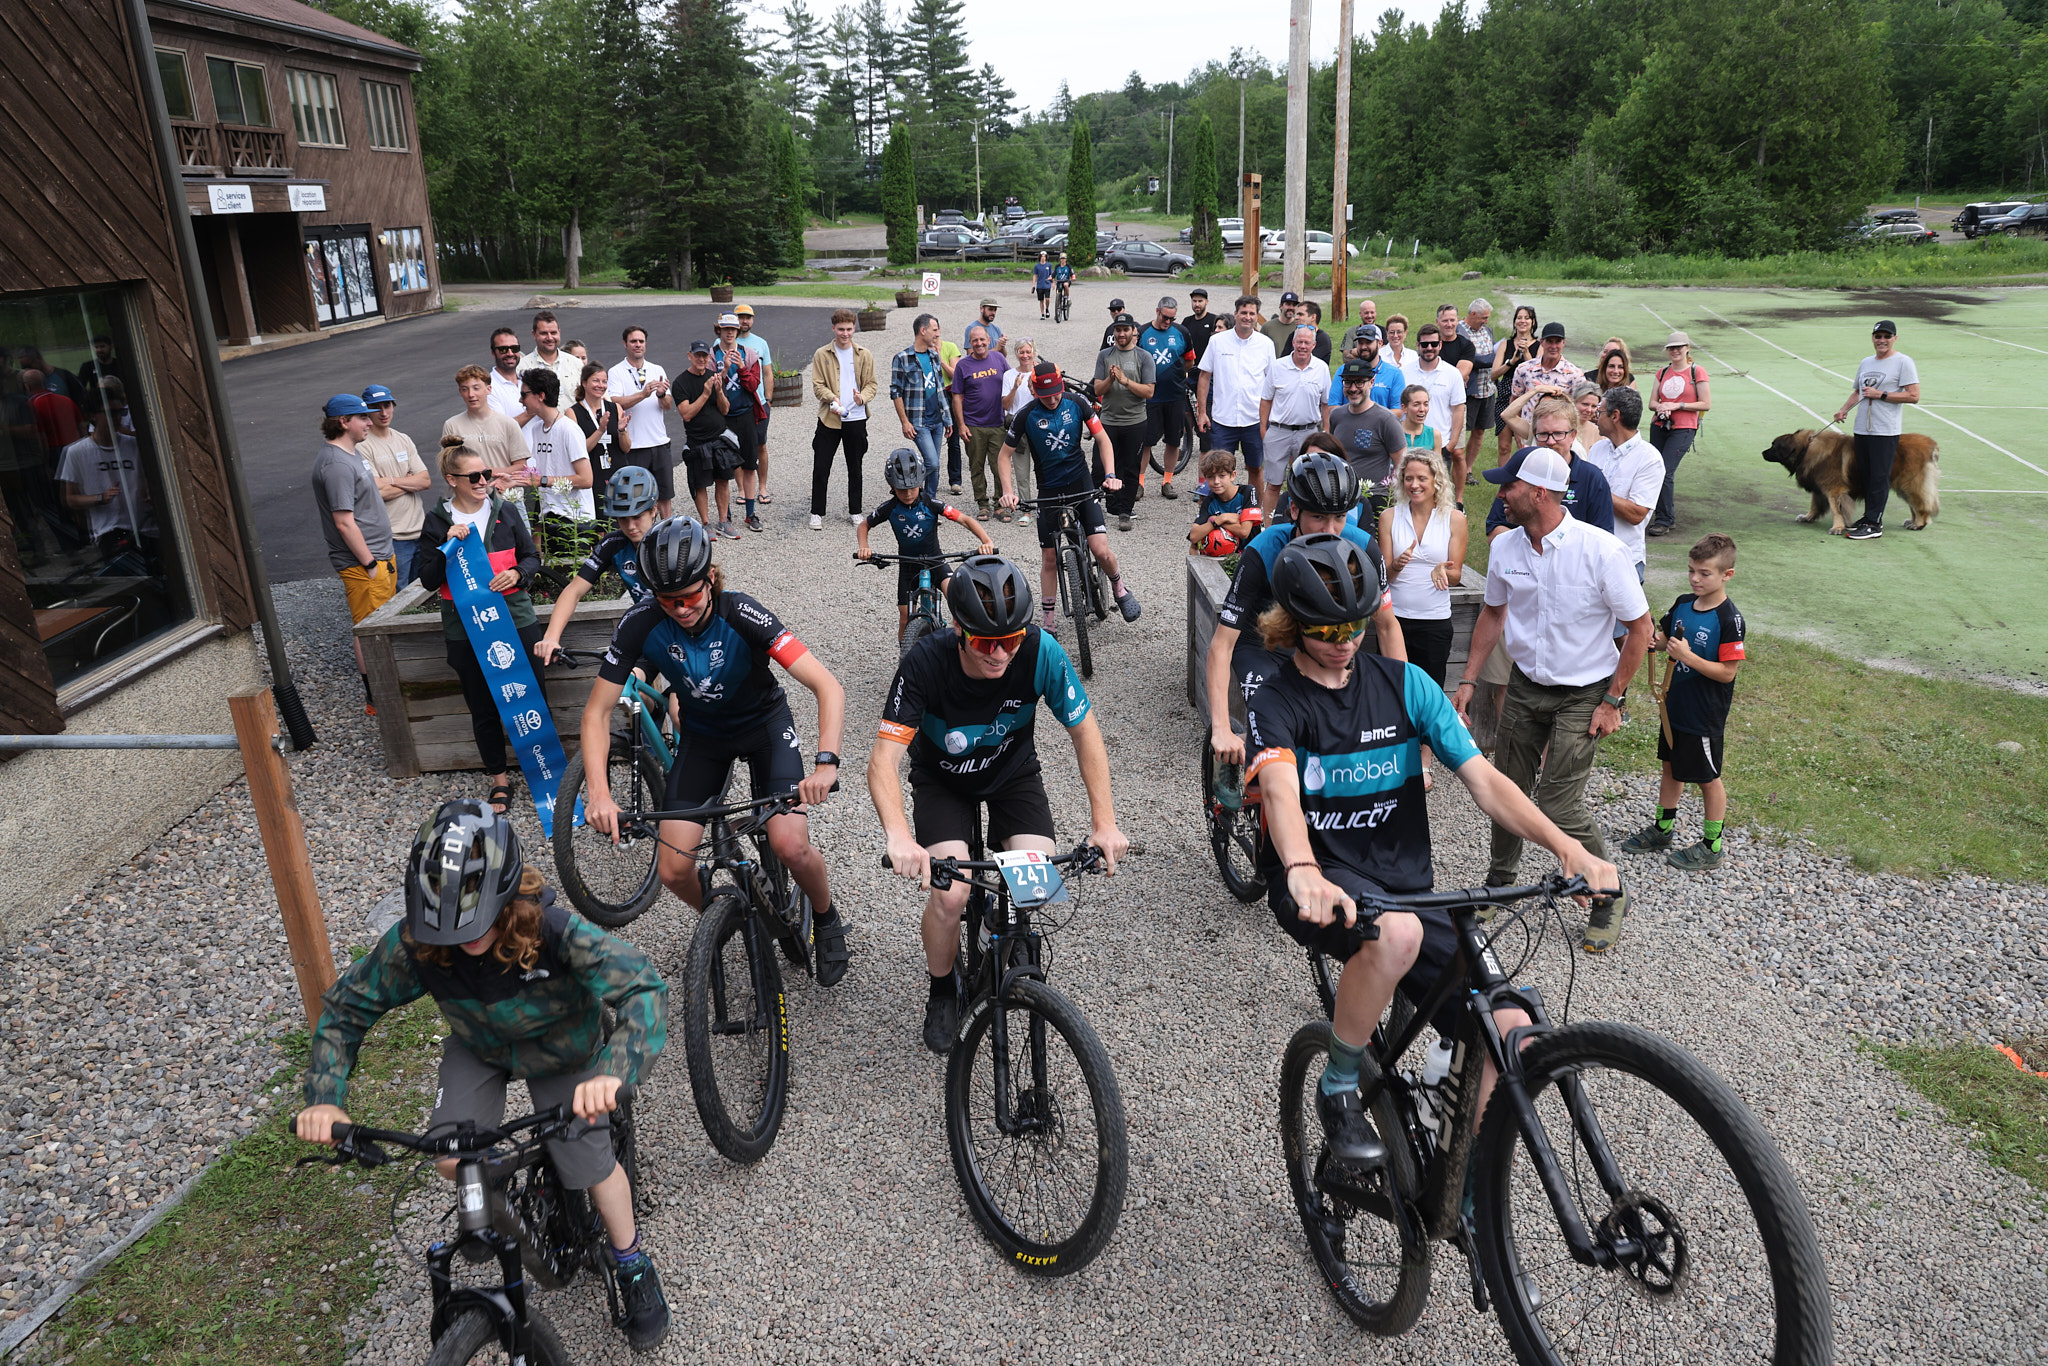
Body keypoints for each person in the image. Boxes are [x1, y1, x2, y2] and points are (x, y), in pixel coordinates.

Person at [1243, 534, 1616, 1174]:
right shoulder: (1276, 698)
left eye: (1356, 624)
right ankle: (1338, 1086)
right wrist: (1302, 868)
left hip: (1409, 885)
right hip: (1319, 879)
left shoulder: (1407, 684)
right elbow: (1278, 789)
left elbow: (1485, 780)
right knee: (1395, 935)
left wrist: (1566, 847)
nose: (1345, 640)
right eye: (1327, 627)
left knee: (1511, 1025)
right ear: (1295, 622)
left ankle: (1459, 1179)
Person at [294, 800, 671, 1353]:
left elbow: (643, 987)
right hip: (482, 1047)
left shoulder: (555, 929)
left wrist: (613, 1072)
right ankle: (492, 1187)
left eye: (475, 924)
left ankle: (631, 1260)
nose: (460, 941)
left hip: (562, 1047)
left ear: (508, 896)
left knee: (589, 1156)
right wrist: (326, 1097)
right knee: (451, 1154)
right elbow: (347, 1007)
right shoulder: (417, 944)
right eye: (445, 928)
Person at [868, 556, 1130, 1053]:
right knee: (949, 896)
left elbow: (1086, 732)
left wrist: (1104, 822)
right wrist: (899, 836)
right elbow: (882, 762)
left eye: (1010, 641)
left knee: (1035, 890)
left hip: (1012, 775)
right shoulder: (924, 662)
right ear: (960, 631)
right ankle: (942, 988)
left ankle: (1001, 933)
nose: (999, 653)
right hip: (942, 780)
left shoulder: (1040, 651)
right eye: (986, 641)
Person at [579, 518, 852, 986]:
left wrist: (826, 763)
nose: (681, 609)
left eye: (690, 595)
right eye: (669, 601)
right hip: (704, 737)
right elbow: (595, 714)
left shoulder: (742, 613)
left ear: (710, 578)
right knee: (672, 868)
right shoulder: (640, 624)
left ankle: (826, 920)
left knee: (790, 844)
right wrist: (600, 795)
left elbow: (827, 687)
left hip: (763, 726)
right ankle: (724, 916)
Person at [1453, 447, 1650, 954]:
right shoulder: (1505, 549)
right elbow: (1493, 616)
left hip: (1585, 692)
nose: (1500, 496)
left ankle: (1608, 894)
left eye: (1509, 487)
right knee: (1506, 787)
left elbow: (1640, 629)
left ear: (1540, 493)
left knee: (1558, 802)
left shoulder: (1602, 551)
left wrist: (1612, 701)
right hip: (1525, 684)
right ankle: (1501, 882)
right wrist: (1470, 679)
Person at [1204, 453, 1403, 771]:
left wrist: (1399, 704)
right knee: (1271, 723)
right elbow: (1222, 643)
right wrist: (1220, 728)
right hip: (1263, 647)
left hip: (1324, 645)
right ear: (1293, 510)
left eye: (1339, 517)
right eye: (1319, 518)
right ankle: (1238, 785)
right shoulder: (1264, 550)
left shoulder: (1363, 547)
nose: (1331, 529)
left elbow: (1388, 627)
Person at [416, 440, 544, 813]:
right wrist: (446, 545)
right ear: (451, 479)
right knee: (483, 705)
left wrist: (518, 574)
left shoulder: (505, 511)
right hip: (465, 628)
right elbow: (427, 579)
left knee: (532, 696)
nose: (483, 480)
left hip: (516, 618)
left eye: (486, 474)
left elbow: (532, 558)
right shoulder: (438, 521)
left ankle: (543, 774)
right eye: (474, 476)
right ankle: (500, 780)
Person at [1621, 534, 1744, 872]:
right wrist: (1652, 639)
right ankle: (1663, 830)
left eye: (1705, 573)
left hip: (1704, 713)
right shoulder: (1682, 603)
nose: (1695, 579)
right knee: (1670, 767)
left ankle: (1711, 845)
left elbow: (1727, 673)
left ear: (1726, 575)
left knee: (1708, 778)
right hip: (1673, 705)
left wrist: (1688, 656)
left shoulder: (1729, 620)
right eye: (1691, 570)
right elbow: (1663, 640)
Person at [996, 361, 1142, 629]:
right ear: (1035, 390)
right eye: (1045, 395)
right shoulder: (1026, 415)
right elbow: (1004, 456)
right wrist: (1008, 492)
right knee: (1050, 558)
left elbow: (1103, 439)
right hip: (1049, 491)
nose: (1052, 399)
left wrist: (1110, 476)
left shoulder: (1077, 403)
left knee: (1100, 550)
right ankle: (1049, 621)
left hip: (1081, 484)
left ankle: (1119, 586)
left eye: (1056, 393)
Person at [1379, 448, 1465, 785]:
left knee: (1430, 689)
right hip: (1395, 619)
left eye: (1421, 478)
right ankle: (1394, 753)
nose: (1415, 484)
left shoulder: (1453, 518)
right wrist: (1396, 566)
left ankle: (1424, 761)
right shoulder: (1389, 517)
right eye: (1409, 478)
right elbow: (1382, 573)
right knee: (1394, 688)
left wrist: (1442, 568)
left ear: (1435, 481)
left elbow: (1456, 574)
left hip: (1433, 618)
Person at [313, 393, 397, 711]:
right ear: (343, 422)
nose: (369, 421)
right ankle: (378, 697)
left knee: (381, 623)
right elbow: (344, 522)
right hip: (365, 563)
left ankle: (386, 688)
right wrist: (370, 563)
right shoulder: (334, 464)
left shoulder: (352, 454)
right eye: (362, 417)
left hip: (379, 555)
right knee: (370, 629)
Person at [857, 447, 995, 639]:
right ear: (892, 486)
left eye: (912, 488)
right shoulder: (890, 508)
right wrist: (864, 547)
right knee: (905, 616)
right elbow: (864, 526)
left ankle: (967, 647)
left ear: (921, 483)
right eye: (901, 489)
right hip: (907, 566)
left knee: (957, 601)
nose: (907, 494)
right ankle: (906, 660)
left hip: (936, 561)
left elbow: (965, 519)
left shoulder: (930, 503)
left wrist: (986, 541)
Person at [536, 466, 661, 668]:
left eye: (637, 517)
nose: (630, 527)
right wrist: (551, 637)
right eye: (623, 519)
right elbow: (574, 591)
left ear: (654, 509)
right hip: (646, 634)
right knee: (627, 690)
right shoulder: (614, 544)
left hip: (682, 632)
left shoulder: (671, 539)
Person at [1832, 318, 1919, 541]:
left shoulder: (1903, 362)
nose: (1882, 340)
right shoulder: (1866, 362)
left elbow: (1913, 395)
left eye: (1886, 336)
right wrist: (1843, 410)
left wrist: (1882, 395)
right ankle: (1868, 517)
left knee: (1879, 478)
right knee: (1867, 476)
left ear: (1895, 338)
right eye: (1878, 336)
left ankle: (1874, 524)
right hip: (1862, 430)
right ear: (1873, 338)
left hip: (1885, 431)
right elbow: (1857, 392)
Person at [1482, 398, 1615, 536]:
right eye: (1543, 434)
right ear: (1534, 435)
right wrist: (1535, 546)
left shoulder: (1591, 478)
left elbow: (1603, 537)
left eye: (1558, 434)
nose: (1550, 441)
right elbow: (1494, 530)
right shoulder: (1520, 470)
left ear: (1573, 436)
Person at [56, 386, 156, 564]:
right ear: (92, 415)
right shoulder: (76, 452)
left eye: (120, 412)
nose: (117, 418)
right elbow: (69, 499)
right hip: (111, 531)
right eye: (110, 413)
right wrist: (100, 498)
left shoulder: (135, 445)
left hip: (146, 527)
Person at [1582, 387, 1664, 588]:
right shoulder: (1598, 449)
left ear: (1615, 416)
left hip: (1624, 560)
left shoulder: (1650, 459)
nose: (1595, 416)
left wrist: (1596, 489)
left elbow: (1637, 513)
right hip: (1588, 556)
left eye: (1600, 412)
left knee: (1621, 621)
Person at [809, 309, 879, 530]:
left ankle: (855, 511)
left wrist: (862, 398)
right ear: (833, 328)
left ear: (854, 328)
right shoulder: (822, 354)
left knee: (855, 466)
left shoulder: (864, 354)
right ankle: (817, 512)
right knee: (821, 466)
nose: (845, 333)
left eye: (849, 329)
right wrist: (832, 398)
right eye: (841, 329)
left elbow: (872, 384)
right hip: (830, 418)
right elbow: (817, 384)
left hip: (856, 418)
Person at [357, 383, 431, 586]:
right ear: (366, 410)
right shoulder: (362, 445)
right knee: (397, 596)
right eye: (376, 407)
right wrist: (408, 480)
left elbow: (425, 480)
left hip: (419, 530)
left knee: (422, 592)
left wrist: (389, 480)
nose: (383, 412)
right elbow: (375, 492)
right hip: (392, 537)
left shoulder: (403, 439)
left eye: (387, 405)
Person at [1257, 325, 1331, 520]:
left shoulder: (1321, 369)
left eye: (1307, 342)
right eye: (1300, 342)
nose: (1303, 346)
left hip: (1308, 433)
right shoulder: (1278, 366)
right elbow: (1266, 399)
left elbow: (1326, 404)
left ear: (1314, 345)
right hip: (1279, 431)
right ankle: (1269, 525)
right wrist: (1264, 429)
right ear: (1293, 343)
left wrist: (1326, 432)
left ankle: (1300, 523)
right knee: (1273, 483)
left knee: (1307, 481)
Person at [1196, 296, 1273, 481]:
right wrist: (1202, 413)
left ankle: (1254, 510)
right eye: (1243, 312)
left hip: (1254, 420)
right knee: (1218, 470)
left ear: (1257, 316)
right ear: (1235, 314)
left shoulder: (1266, 344)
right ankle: (1216, 509)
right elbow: (1204, 377)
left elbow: (1272, 383)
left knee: (1255, 468)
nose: (1247, 317)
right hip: (1223, 420)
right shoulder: (1217, 341)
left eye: (1252, 313)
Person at [1093, 312, 1157, 532]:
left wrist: (1125, 381)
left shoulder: (1143, 357)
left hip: (1135, 421)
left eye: (1125, 330)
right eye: (1118, 330)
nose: (1121, 334)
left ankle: (1124, 511)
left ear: (1133, 332)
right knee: (1099, 467)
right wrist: (1111, 379)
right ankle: (1094, 507)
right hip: (1109, 421)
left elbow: (1149, 391)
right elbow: (1097, 389)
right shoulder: (1105, 355)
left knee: (1130, 467)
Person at [1645, 331, 1711, 538]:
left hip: (1684, 428)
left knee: (1665, 471)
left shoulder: (1697, 371)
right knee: (1655, 470)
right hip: (1660, 425)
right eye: (1671, 348)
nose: (1675, 351)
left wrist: (1678, 405)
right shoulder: (1662, 372)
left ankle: (1665, 519)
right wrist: (1662, 407)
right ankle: (1660, 514)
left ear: (1687, 348)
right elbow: (1651, 403)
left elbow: (1706, 403)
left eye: (1679, 347)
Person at [608, 325, 676, 520]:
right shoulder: (616, 372)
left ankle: (667, 529)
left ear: (646, 344)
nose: (637, 345)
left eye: (641, 341)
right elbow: (614, 402)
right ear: (625, 344)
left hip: (659, 442)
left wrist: (662, 394)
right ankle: (640, 536)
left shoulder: (657, 369)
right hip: (635, 445)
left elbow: (668, 405)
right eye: (633, 341)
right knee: (636, 496)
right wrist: (643, 394)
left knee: (665, 495)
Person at [1327, 358, 1407, 517]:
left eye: (1359, 382)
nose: (1353, 388)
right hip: (1341, 497)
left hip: (1375, 498)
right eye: (1348, 382)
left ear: (1371, 382)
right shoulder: (1336, 416)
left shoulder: (1386, 420)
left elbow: (1402, 464)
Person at [522, 368, 595, 541]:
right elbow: (540, 475)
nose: (521, 400)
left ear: (540, 395)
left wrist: (544, 481)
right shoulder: (536, 429)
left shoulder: (569, 429)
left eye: (524, 394)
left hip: (575, 521)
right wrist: (513, 478)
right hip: (549, 518)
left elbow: (586, 479)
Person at [443, 364, 533, 501]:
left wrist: (487, 472)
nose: (471, 394)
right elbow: (448, 467)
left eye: (476, 388)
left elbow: (521, 467)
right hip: (469, 502)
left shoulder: (508, 424)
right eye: (465, 389)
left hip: (506, 499)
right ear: (460, 392)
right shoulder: (452, 425)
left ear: (489, 389)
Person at [672, 340, 734, 531]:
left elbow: (725, 410)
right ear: (689, 356)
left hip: (719, 438)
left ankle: (724, 521)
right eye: (697, 355)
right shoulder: (681, 383)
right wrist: (706, 394)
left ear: (709, 358)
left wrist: (719, 391)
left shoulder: (714, 377)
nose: (701, 359)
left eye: (704, 355)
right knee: (701, 484)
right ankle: (705, 523)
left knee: (722, 480)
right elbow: (687, 414)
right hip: (697, 441)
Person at [950, 326, 1010, 520]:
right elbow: (957, 396)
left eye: (982, 340)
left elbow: (1011, 382)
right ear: (970, 343)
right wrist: (961, 425)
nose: (979, 344)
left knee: (999, 466)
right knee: (976, 466)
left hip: (997, 422)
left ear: (989, 340)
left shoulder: (999, 359)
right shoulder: (963, 365)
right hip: (973, 424)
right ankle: (982, 504)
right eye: (975, 341)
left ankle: (1000, 504)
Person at [713, 314, 764, 534]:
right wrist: (724, 370)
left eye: (733, 328)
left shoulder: (749, 353)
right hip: (722, 417)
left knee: (749, 465)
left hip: (745, 415)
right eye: (726, 329)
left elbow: (754, 385)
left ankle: (750, 513)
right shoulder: (710, 355)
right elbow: (707, 385)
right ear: (719, 330)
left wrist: (742, 367)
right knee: (724, 467)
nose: (730, 332)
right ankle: (726, 516)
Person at [890, 313, 951, 500]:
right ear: (922, 330)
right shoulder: (902, 358)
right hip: (918, 421)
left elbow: (940, 389)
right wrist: (905, 422)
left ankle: (929, 504)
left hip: (937, 421)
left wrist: (947, 419)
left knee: (936, 465)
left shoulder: (934, 356)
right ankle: (905, 488)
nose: (937, 334)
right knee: (931, 463)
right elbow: (895, 392)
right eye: (934, 330)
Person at [1137, 296, 1193, 500]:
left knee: (1173, 440)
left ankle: (1167, 481)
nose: (1168, 322)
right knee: (1146, 441)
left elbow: (1189, 360)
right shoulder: (1142, 332)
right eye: (1165, 317)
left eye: (1172, 318)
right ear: (1157, 311)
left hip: (1175, 395)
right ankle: (1139, 482)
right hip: (1150, 397)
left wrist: (1176, 376)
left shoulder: (1181, 332)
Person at [1504, 320, 1581, 445]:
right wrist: (1518, 435)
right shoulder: (1524, 369)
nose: (1553, 346)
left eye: (1558, 342)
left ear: (1564, 343)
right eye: (1549, 341)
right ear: (1542, 343)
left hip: (1558, 438)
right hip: (1529, 433)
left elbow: (1579, 409)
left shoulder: (1574, 374)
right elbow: (1515, 400)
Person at [732, 305, 775, 504]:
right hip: (735, 404)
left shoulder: (761, 343)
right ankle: (741, 488)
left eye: (748, 317)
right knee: (735, 446)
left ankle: (763, 486)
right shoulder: (723, 341)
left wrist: (769, 399)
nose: (744, 321)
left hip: (758, 403)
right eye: (741, 317)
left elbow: (767, 372)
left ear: (753, 320)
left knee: (760, 445)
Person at [1404, 324, 1465, 457]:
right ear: (1418, 345)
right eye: (1425, 345)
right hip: (1409, 444)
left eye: (1434, 344)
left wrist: (1451, 444)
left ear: (1440, 345)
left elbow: (1458, 410)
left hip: (1441, 444)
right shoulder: (1403, 372)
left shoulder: (1453, 373)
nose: (1429, 348)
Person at [995, 338, 1040, 518]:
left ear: (1034, 353)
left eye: (1028, 351)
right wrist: (1014, 388)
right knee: (1022, 471)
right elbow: (1005, 405)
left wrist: (1032, 389)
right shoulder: (1009, 375)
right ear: (1016, 354)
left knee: (1044, 467)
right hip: (1017, 424)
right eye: (1021, 352)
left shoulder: (1039, 372)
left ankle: (1047, 505)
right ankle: (1027, 509)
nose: (1025, 355)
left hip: (1037, 424)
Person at [1489, 305, 1540, 466]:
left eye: (1527, 318)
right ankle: (1504, 485)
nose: (1522, 321)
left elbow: (1537, 374)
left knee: (1523, 445)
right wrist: (1510, 362)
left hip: (1528, 397)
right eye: (1519, 317)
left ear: (1533, 322)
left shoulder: (1540, 346)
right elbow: (1494, 374)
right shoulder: (1506, 345)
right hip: (1506, 394)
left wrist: (1525, 353)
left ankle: (1524, 482)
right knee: (1504, 447)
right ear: (1514, 321)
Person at [572, 363, 631, 493]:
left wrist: (622, 431)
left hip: (617, 472)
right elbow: (579, 450)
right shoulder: (573, 413)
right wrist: (600, 431)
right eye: (595, 380)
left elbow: (626, 448)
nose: (601, 385)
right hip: (592, 474)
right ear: (584, 383)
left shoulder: (615, 408)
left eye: (604, 381)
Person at [1188, 449, 1259, 555]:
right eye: (1210, 477)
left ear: (1232, 475)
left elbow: (1244, 532)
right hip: (1220, 553)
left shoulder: (1247, 492)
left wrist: (1215, 520)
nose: (1216, 482)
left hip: (1249, 554)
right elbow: (1193, 537)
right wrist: (1220, 520)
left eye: (1222, 476)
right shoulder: (1209, 500)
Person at [520, 310, 583, 419]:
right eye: (544, 333)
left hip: (574, 428)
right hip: (538, 431)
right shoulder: (522, 367)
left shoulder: (576, 364)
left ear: (559, 332)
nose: (549, 338)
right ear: (534, 334)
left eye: (553, 333)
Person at [486, 329, 526, 420]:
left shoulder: (529, 380)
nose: (510, 353)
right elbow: (502, 428)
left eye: (514, 348)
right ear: (493, 353)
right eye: (503, 349)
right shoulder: (488, 387)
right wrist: (533, 411)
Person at [1259, 291, 1301, 355]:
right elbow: (1260, 349)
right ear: (1281, 306)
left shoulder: (1300, 326)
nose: (1291, 307)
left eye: (1294, 305)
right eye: (1288, 304)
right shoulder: (1267, 327)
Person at [1398, 384, 1436, 454]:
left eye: (1426, 404)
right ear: (1404, 408)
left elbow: (1437, 464)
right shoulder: (1393, 432)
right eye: (1416, 405)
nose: (1422, 409)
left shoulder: (1434, 435)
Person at [1033, 252, 1054, 319]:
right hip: (1040, 285)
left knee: (1047, 299)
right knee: (1041, 300)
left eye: (1044, 256)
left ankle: (1047, 309)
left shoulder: (1049, 265)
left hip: (1047, 284)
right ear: (1040, 257)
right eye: (1042, 256)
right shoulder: (1037, 266)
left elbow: (1052, 274)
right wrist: (1033, 285)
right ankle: (1042, 314)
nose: (1043, 257)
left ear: (1046, 257)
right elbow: (1035, 275)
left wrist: (1053, 282)